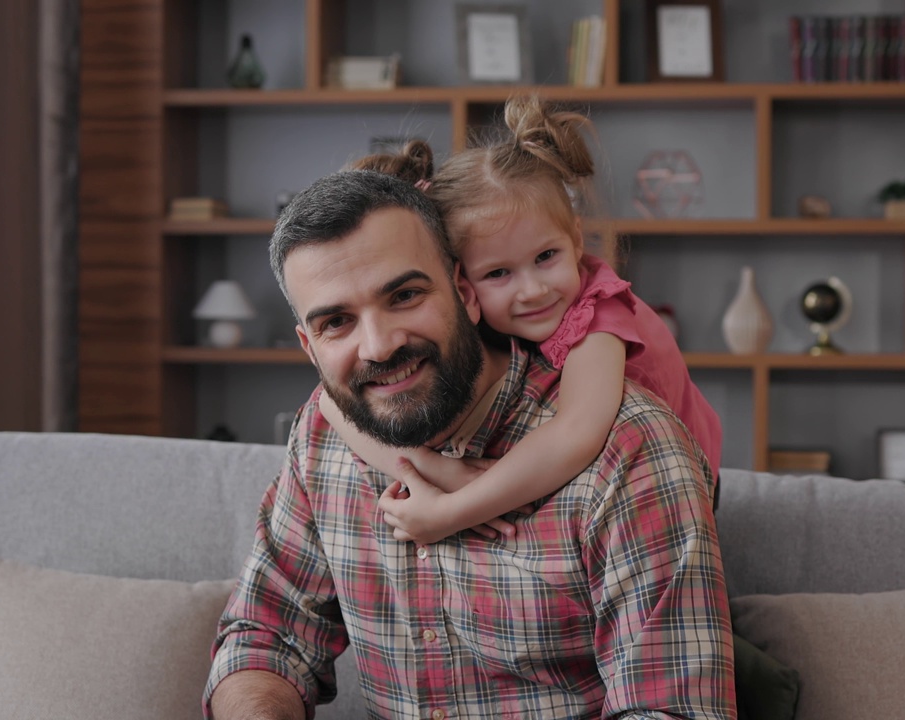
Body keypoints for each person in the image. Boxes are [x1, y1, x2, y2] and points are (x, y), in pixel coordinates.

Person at [204, 168, 734, 719]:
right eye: (336, 322)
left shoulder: (626, 445)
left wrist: (454, 507)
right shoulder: (323, 434)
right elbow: (267, 634)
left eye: (405, 295)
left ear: (464, 292)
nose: (380, 346)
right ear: (309, 349)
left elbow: (671, 709)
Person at [322, 96, 723, 545]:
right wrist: (439, 468)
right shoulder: (476, 317)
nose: (532, 289)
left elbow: (576, 434)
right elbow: (327, 404)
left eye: (546, 256)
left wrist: (448, 512)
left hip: (667, 488)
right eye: (499, 273)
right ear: (461, 286)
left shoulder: (598, 316)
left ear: (574, 238)